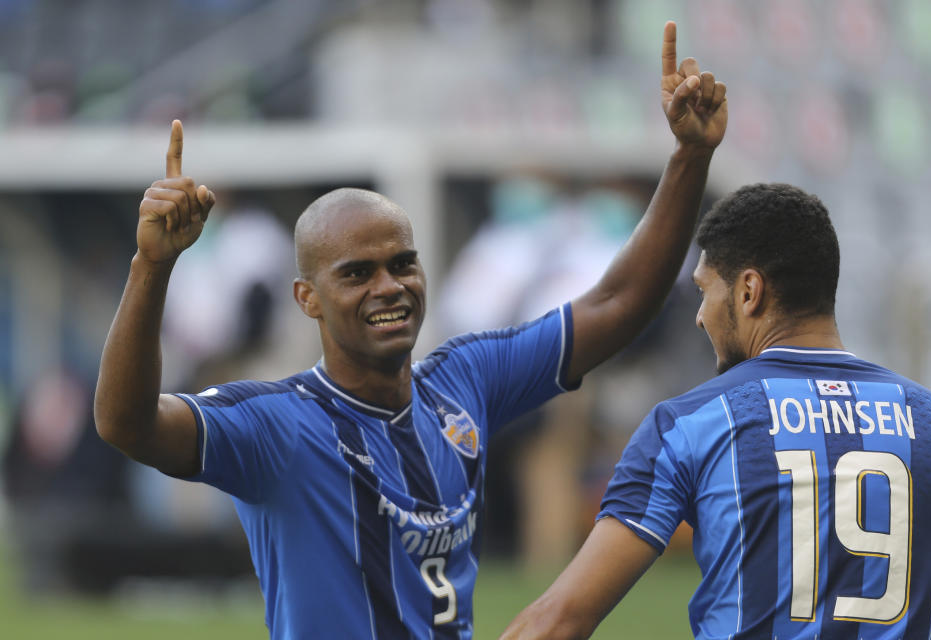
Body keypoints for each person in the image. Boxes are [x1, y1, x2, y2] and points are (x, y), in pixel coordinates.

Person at [94, 22, 727, 639]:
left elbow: (617, 305)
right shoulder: (275, 426)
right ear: (307, 299)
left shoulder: (464, 381)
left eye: (403, 264)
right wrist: (153, 267)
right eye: (357, 274)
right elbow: (126, 423)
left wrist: (689, 157)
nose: (389, 286)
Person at [500, 183, 931, 639]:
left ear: (748, 291)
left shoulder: (690, 424)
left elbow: (559, 621)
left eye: (705, 290)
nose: (701, 315)